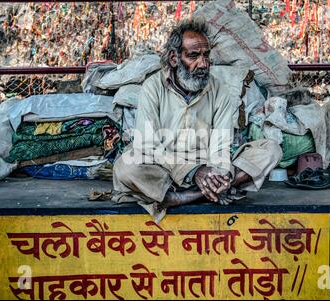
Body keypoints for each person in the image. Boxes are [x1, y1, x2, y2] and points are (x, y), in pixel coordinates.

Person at [113, 17, 282, 219]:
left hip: (209, 167)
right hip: (165, 168)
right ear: (175, 59)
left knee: (271, 149)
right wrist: (193, 171)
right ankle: (206, 193)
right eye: (193, 56)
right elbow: (148, 146)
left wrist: (218, 174)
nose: (203, 64)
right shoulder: (153, 87)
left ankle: (186, 196)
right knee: (126, 166)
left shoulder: (218, 89)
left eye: (206, 55)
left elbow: (221, 146)